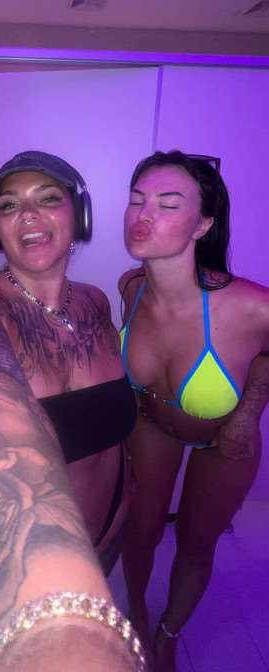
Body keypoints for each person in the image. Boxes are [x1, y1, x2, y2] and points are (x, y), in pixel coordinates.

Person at [0, 150, 139, 668]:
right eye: (8, 206)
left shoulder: (96, 302)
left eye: (48, 199)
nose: (28, 216)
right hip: (17, 559)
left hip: (110, 527)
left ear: (79, 214)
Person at [119, 150, 269, 671]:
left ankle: (168, 633)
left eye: (167, 204)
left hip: (225, 437)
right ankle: (136, 614)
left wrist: (249, 410)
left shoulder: (251, 305)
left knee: (195, 545)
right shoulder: (131, 287)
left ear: (202, 224)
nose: (144, 214)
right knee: (140, 531)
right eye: (136, 199)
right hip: (151, 421)